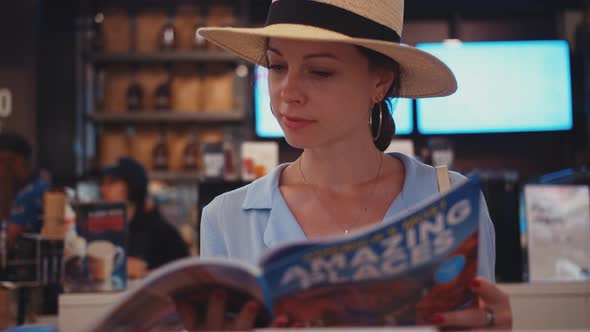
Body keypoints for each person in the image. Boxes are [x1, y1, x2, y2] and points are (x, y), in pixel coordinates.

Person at [184, 0, 513, 330]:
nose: (289, 92)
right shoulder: (228, 217)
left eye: (320, 71)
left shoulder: (449, 202)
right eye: (277, 67)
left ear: (380, 82)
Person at [100, 157, 188, 279]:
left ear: (133, 186)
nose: (103, 189)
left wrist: (147, 272)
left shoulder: (162, 232)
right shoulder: (104, 229)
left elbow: (185, 275)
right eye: (103, 183)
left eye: (112, 183)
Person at [0, 132, 50, 248]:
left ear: (18, 161)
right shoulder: (19, 189)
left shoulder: (33, 192)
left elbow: (8, 241)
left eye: (2, 162)